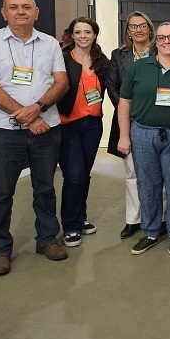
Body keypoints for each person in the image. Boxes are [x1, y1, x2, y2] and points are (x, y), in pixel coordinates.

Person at [0, 0, 70, 276]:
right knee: (2, 192)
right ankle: (0, 249)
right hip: (6, 131)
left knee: (45, 188)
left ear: (36, 12)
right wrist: (28, 118)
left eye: (26, 7)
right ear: (4, 13)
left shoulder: (50, 43)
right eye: (14, 7)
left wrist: (39, 107)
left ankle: (47, 239)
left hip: (47, 129)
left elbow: (61, 82)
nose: (20, 12)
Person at [118, 22, 170, 256]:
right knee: (147, 185)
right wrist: (124, 135)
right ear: (155, 41)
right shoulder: (138, 68)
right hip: (143, 133)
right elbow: (124, 102)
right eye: (161, 38)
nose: (167, 42)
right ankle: (149, 232)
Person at [107, 11, 164, 240]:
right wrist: (128, 113)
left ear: (150, 29)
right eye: (133, 27)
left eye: (142, 26)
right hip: (128, 121)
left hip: (156, 119)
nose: (138, 30)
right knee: (132, 173)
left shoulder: (163, 50)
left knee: (160, 173)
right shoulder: (118, 55)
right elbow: (112, 86)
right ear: (127, 32)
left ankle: (161, 219)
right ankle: (134, 219)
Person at [56, 17, 110, 247]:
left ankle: (80, 217)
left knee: (84, 174)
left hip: (93, 124)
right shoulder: (63, 59)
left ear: (94, 34)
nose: (83, 36)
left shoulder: (101, 61)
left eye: (87, 32)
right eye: (78, 32)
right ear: (72, 34)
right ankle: (69, 226)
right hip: (68, 124)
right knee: (74, 175)